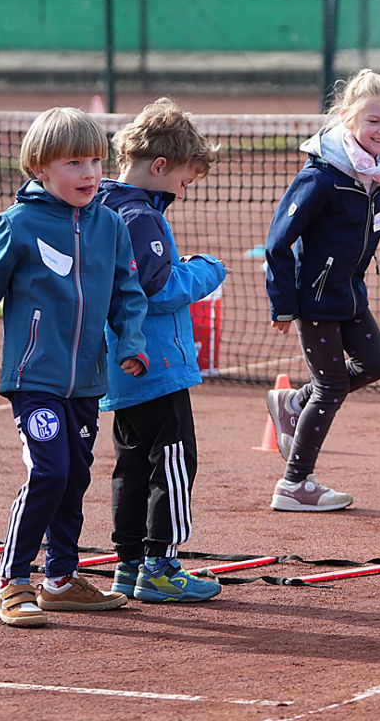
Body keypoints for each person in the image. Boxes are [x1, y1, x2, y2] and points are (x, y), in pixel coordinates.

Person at [0, 107, 146, 627]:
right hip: (33, 381)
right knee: (50, 470)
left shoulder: (111, 224)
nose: (89, 172)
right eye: (73, 161)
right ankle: (12, 580)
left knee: (75, 477)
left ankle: (61, 580)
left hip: (88, 382)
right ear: (40, 168)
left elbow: (127, 295)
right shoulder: (17, 224)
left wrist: (131, 345)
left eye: (95, 159)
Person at [264, 69, 380, 511]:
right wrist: (283, 304)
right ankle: (294, 484)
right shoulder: (321, 177)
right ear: (348, 118)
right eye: (374, 121)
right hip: (314, 299)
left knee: (376, 363)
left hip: (351, 295)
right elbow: (278, 242)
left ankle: (293, 402)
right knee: (331, 386)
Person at [98, 98, 226, 602]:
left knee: (130, 465)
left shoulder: (100, 205)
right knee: (172, 462)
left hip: (120, 367)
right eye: (183, 182)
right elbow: (159, 288)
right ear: (159, 167)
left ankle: (128, 565)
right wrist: (208, 269)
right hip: (156, 366)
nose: (182, 192)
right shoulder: (139, 216)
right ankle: (161, 565)